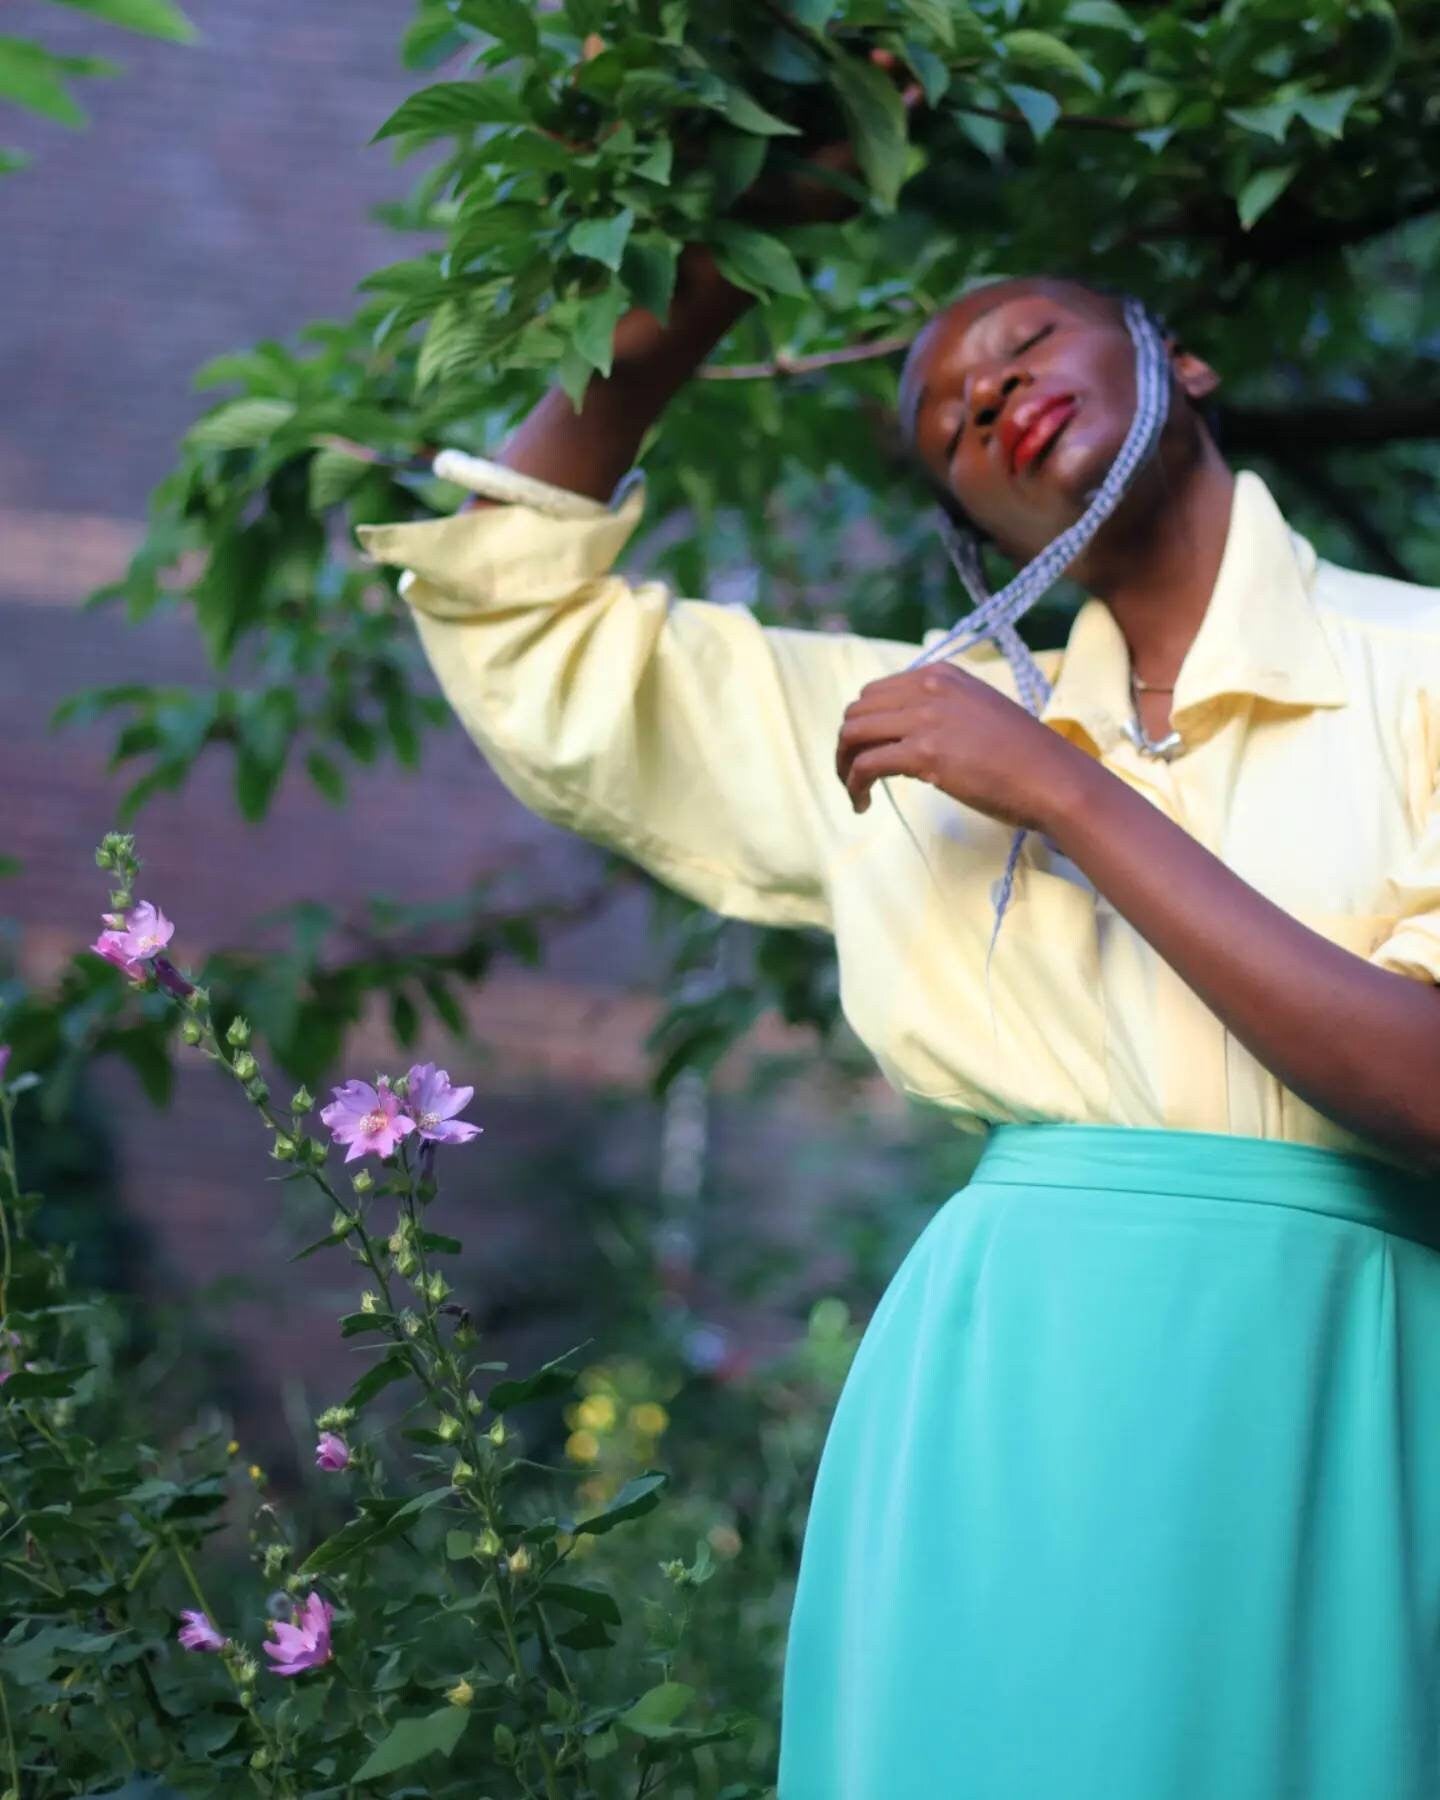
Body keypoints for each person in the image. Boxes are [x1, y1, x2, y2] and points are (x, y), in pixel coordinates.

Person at [356, 156, 1440, 1800]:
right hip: (1003, 1395)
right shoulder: (907, 729)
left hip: (1346, 1381)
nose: (984, 391)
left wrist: (1065, 791)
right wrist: (698, 283)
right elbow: (519, 625)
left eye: (1020, 341)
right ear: (961, 521)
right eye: (941, 419)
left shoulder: (1415, 669)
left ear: (1182, 362)